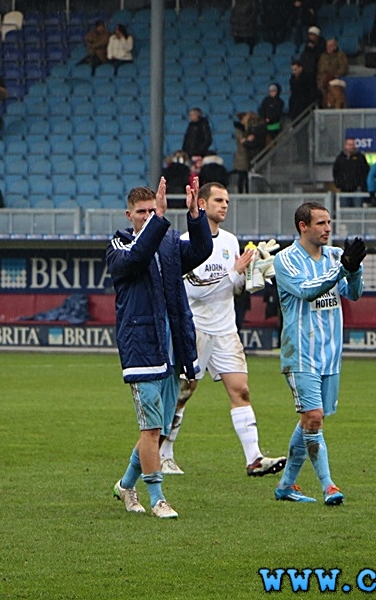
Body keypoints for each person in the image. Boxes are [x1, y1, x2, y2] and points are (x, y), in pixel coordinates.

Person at [159, 182, 287, 478]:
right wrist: (236, 273)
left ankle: (254, 458)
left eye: (227, 200)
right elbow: (195, 292)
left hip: (226, 329)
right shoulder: (184, 243)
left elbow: (234, 288)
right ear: (201, 204)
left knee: (241, 390)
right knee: (182, 393)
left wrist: (254, 276)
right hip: (195, 329)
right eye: (218, 200)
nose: (225, 205)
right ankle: (164, 453)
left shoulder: (230, 241)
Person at [107, 178, 213, 519]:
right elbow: (137, 257)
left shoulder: (166, 240)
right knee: (150, 430)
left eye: (152, 211)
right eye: (142, 212)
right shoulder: (119, 245)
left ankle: (125, 485)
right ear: (129, 215)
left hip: (170, 349)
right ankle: (156, 498)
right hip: (141, 348)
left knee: (159, 430)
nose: (148, 216)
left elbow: (200, 252)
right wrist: (161, 219)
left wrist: (194, 215)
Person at [272, 202, 366, 504]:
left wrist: (354, 270)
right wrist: (342, 269)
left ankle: (286, 486)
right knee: (313, 417)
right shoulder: (285, 260)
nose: (328, 228)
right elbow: (307, 290)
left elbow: (354, 293)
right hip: (300, 353)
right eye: (321, 223)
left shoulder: (336, 255)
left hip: (330, 354)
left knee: (311, 420)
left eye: (329, 222)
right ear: (303, 226)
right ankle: (329, 486)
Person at [232, 112, 266, 193]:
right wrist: (247, 140)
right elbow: (242, 141)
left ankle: (246, 192)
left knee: (246, 177)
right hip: (242, 157)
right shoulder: (240, 130)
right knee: (242, 176)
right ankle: (243, 192)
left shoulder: (247, 130)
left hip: (245, 156)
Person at [332, 138, 370, 206]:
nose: (352, 146)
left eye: (353, 144)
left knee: (357, 211)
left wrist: (361, 185)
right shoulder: (340, 158)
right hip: (344, 189)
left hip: (357, 189)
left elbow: (366, 171)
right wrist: (339, 184)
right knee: (343, 211)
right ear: (345, 146)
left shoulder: (360, 158)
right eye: (350, 145)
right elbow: (335, 172)